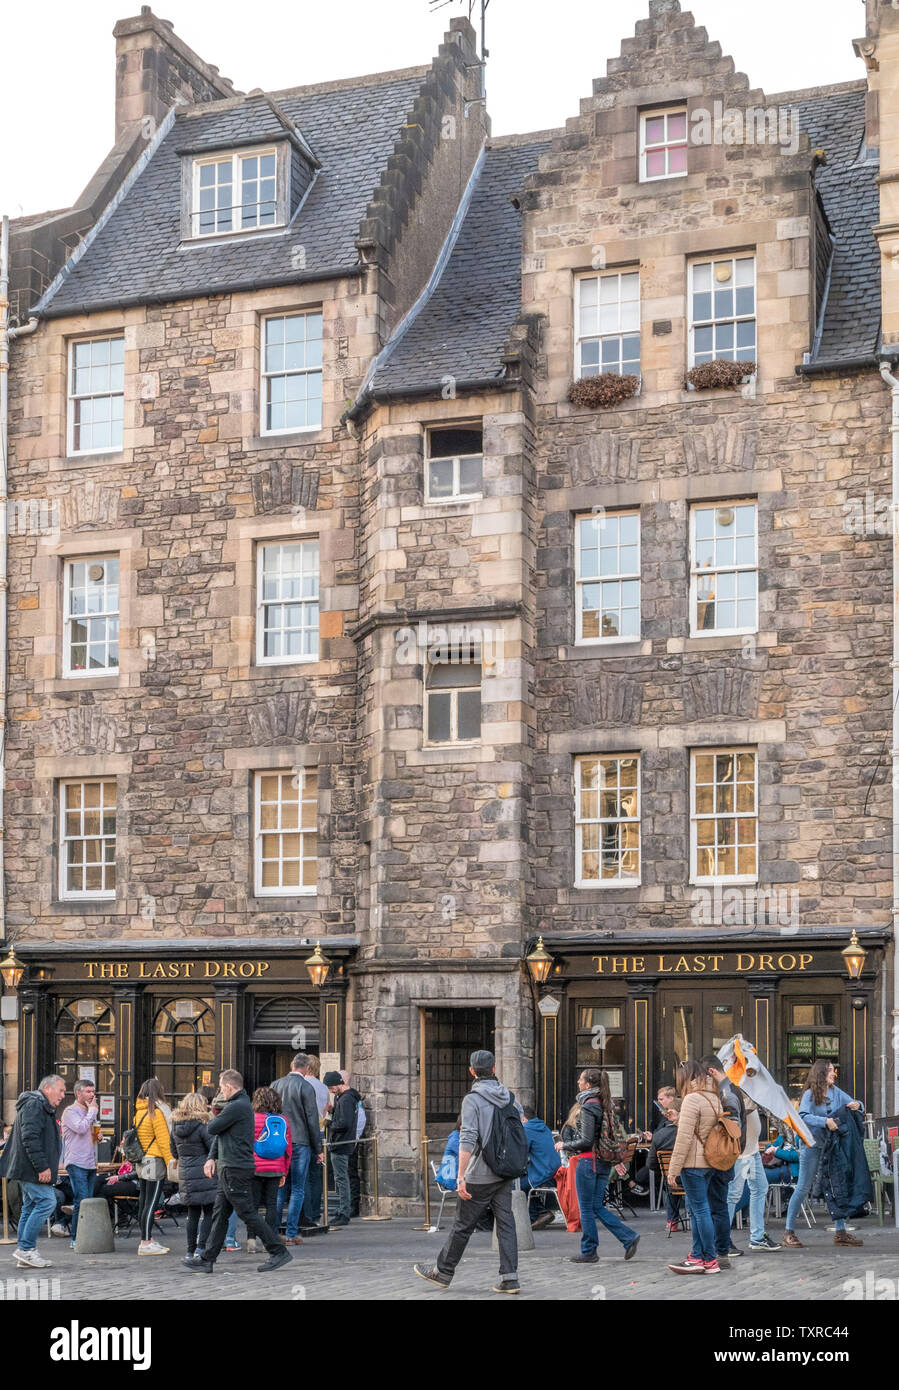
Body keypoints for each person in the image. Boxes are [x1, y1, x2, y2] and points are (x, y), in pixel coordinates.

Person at [414, 1050, 523, 1295]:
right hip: (504, 1172)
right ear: (494, 1069)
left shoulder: (472, 1099)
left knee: (463, 1225)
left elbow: (468, 1137)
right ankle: (509, 1278)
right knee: (506, 1224)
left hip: (480, 1173)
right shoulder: (510, 1097)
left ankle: (443, 1272)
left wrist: (461, 1176)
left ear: (472, 1071)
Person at [183, 1069, 291, 1275]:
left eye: (222, 1088)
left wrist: (216, 1108)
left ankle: (278, 1251)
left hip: (236, 1167)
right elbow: (220, 1135)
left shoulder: (237, 1106)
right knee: (220, 1213)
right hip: (230, 1166)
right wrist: (212, 1158)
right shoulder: (237, 1105)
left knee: (247, 1212)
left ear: (230, 1087)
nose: (221, 1092)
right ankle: (207, 1258)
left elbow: (212, 1127)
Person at [783, 1060, 864, 1248]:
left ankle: (841, 1232)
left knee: (837, 1185)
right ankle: (788, 1232)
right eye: (829, 1070)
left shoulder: (836, 1092)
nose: (834, 1073)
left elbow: (856, 1102)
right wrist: (825, 1121)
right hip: (812, 1145)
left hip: (831, 1146)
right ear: (820, 1073)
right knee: (803, 1187)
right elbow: (802, 1116)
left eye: (833, 1070)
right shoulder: (810, 1095)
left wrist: (857, 1105)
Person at [561, 1068, 639, 1264]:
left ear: (588, 1084)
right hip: (603, 1161)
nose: (578, 1082)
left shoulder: (588, 1106)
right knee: (596, 1206)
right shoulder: (605, 1104)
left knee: (586, 1208)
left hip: (588, 1161)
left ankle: (589, 1250)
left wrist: (564, 1144)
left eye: (580, 1080)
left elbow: (586, 1140)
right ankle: (628, 1237)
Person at [0, 1074, 66, 1269]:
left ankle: (25, 1251)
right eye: (60, 1090)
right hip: (31, 1169)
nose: (63, 1095)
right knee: (47, 1202)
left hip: (28, 1168)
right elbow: (30, 1138)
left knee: (29, 1207)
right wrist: (42, 1166)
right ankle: (26, 1249)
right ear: (47, 1088)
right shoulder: (35, 1104)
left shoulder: (38, 1105)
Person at [667, 1060, 723, 1276]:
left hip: (692, 1163)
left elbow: (684, 1137)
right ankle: (697, 1256)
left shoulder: (691, 1099)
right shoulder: (713, 1097)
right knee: (700, 1209)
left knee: (699, 1211)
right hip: (709, 1162)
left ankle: (709, 1259)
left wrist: (673, 1169)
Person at [272, 1053, 324, 1244]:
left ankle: (273, 1230)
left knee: (279, 1187)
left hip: (279, 1140)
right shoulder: (306, 1087)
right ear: (308, 1068)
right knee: (298, 1189)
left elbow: (269, 1114)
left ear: (292, 1064)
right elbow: (312, 1120)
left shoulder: (276, 1085)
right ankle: (291, 1233)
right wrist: (318, 1148)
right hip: (300, 1141)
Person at [699, 1053, 746, 1262]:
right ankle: (722, 1246)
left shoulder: (726, 1093)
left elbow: (732, 1128)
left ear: (711, 1072)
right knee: (717, 1205)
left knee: (715, 1205)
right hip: (724, 1157)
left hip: (720, 1156)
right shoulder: (729, 1090)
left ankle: (719, 1247)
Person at [724, 1093, 780, 1252]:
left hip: (751, 1150)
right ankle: (723, 1239)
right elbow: (743, 1109)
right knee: (734, 1193)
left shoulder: (745, 1087)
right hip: (742, 1153)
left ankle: (757, 1237)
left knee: (760, 1187)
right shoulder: (734, 1089)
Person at [172, 1091, 218, 1261]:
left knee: (192, 1214)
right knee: (208, 1212)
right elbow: (212, 1147)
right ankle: (201, 1247)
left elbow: (173, 1151)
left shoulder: (175, 1126)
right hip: (205, 1172)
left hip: (186, 1173)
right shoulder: (204, 1124)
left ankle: (190, 1250)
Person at [133, 1077, 174, 1256]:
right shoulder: (156, 1113)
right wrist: (171, 1161)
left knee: (144, 1201)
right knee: (152, 1203)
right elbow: (164, 1141)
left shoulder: (139, 1113)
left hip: (141, 1161)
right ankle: (145, 1241)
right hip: (155, 1160)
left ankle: (146, 1238)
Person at [250, 1085, 292, 1253]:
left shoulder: (252, 1119)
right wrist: (285, 1171)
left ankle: (251, 1239)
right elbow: (288, 1150)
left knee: (252, 1206)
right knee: (271, 1205)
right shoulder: (283, 1121)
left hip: (255, 1167)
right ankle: (270, 1240)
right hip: (276, 1168)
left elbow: (246, 1144)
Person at [60, 1078, 100, 1250]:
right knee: (81, 1200)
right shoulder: (70, 1112)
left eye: (93, 1091)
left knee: (88, 1201)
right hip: (76, 1162)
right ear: (78, 1093)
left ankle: (86, 1235)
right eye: (88, 1091)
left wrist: (97, 1136)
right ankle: (76, 1238)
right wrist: (92, 1111)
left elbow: (87, 1134)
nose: (92, 1094)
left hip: (90, 1162)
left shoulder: (90, 1111)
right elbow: (80, 1128)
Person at [323, 1070, 361, 1227]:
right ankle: (343, 1209)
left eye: (331, 1087)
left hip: (341, 1143)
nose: (330, 1090)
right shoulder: (344, 1098)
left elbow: (344, 1123)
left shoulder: (345, 1100)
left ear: (338, 1084)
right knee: (341, 1178)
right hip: (342, 1142)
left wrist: (330, 1124)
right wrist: (333, 1111)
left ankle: (344, 1212)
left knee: (341, 1179)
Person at [299, 1055, 330, 1229]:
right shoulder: (324, 1087)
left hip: (305, 1133)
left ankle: (307, 1213)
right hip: (319, 1131)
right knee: (316, 1176)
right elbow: (325, 1111)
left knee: (303, 1175)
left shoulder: (303, 1085)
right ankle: (316, 1211)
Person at [521, 1105, 562, 1228]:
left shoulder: (527, 1129)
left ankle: (538, 1214)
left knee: (517, 1185)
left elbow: (521, 1152)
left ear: (523, 1119)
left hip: (543, 1173)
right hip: (554, 1171)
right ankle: (541, 1212)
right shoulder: (543, 1127)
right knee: (523, 1182)